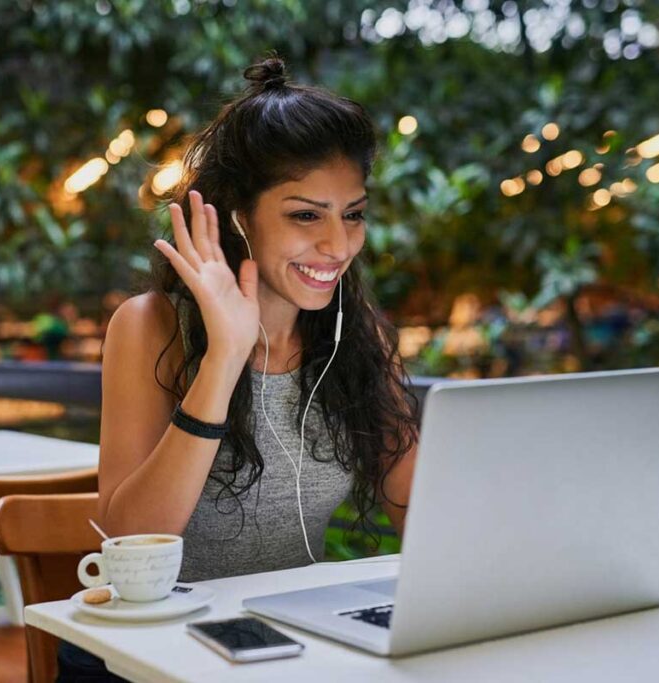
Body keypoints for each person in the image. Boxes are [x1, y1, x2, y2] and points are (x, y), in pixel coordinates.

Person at [57, 52, 419, 682]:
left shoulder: (353, 340)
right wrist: (225, 356)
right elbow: (130, 537)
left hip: (278, 648)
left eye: (352, 214)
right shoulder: (150, 326)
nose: (338, 245)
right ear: (239, 219)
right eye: (306, 215)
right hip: (148, 657)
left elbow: (421, 516)